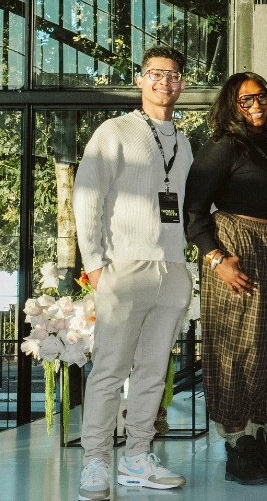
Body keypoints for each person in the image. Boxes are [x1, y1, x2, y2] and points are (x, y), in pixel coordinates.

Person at [74, 47, 194, 500]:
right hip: (123, 267)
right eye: (156, 74)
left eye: (174, 75)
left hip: (173, 270)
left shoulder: (184, 143)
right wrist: (95, 266)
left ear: (181, 84)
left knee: (153, 371)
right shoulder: (115, 131)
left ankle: (137, 458)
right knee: (109, 369)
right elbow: (88, 196)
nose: (165, 81)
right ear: (141, 81)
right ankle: (95, 462)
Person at [184, 72, 267, 485]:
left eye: (263, 98)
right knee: (241, 348)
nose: (257, 105)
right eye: (246, 100)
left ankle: (266, 438)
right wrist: (218, 259)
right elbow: (194, 213)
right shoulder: (223, 147)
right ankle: (238, 445)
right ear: (230, 105)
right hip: (239, 247)